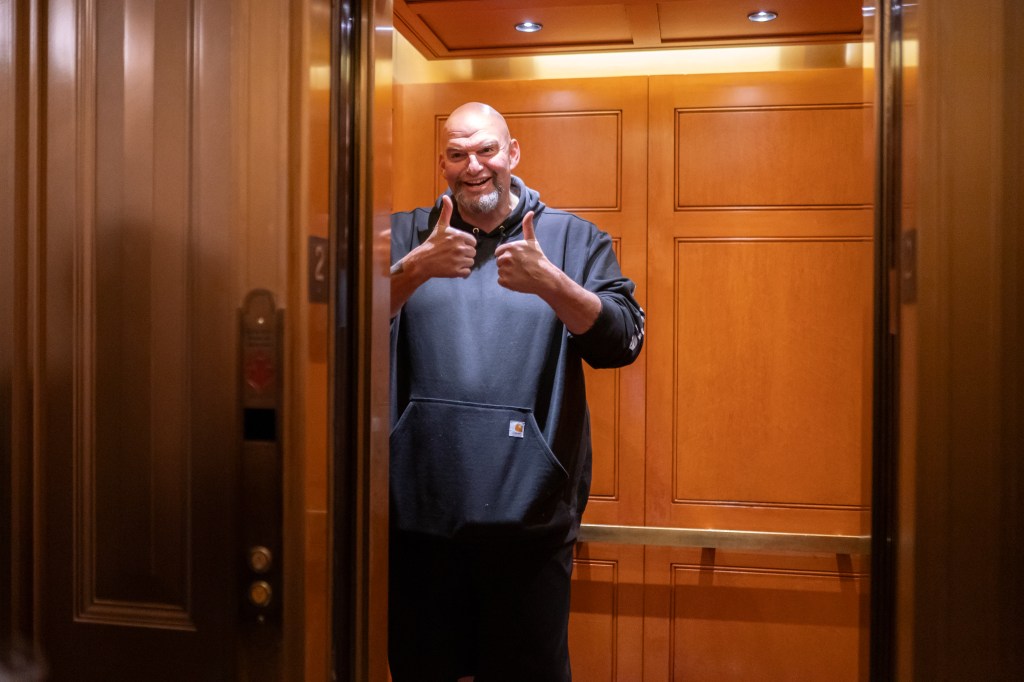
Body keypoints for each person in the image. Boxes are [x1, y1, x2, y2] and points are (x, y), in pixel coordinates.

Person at [388, 102, 644, 681]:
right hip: (415, 528)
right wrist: (413, 269)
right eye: (457, 154)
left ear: (513, 154)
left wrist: (551, 282)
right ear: (443, 163)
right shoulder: (405, 234)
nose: (473, 165)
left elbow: (623, 342)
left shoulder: (574, 239)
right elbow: (336, 334)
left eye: (486, 150)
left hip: (531, 532)